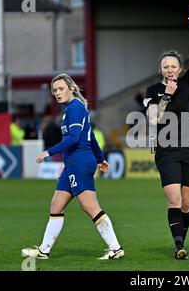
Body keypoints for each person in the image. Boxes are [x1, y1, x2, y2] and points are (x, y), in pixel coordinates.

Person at [21, 73, 124, 260]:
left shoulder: (74, 108)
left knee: (90, 206)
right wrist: (101, 159)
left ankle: (115, 248)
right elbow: (91, 137)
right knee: (56, 205)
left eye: (61, 89)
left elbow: (75, 138)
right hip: (73, 163)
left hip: (80, 162)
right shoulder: (74, 108)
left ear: (71, 88)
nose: (57, 93)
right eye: (54, 90)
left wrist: (49, 152)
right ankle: (44, 250)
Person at [143, 6, 189, 260]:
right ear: (161, 69)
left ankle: (181, 241)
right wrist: (166, 95)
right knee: (174, 199)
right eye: (165, 66)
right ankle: (178, 244)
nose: (170, 69)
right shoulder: (152, 90)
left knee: (187, 202)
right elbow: (153, 118)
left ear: (180, 69)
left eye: (173, 66)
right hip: (166, 148)